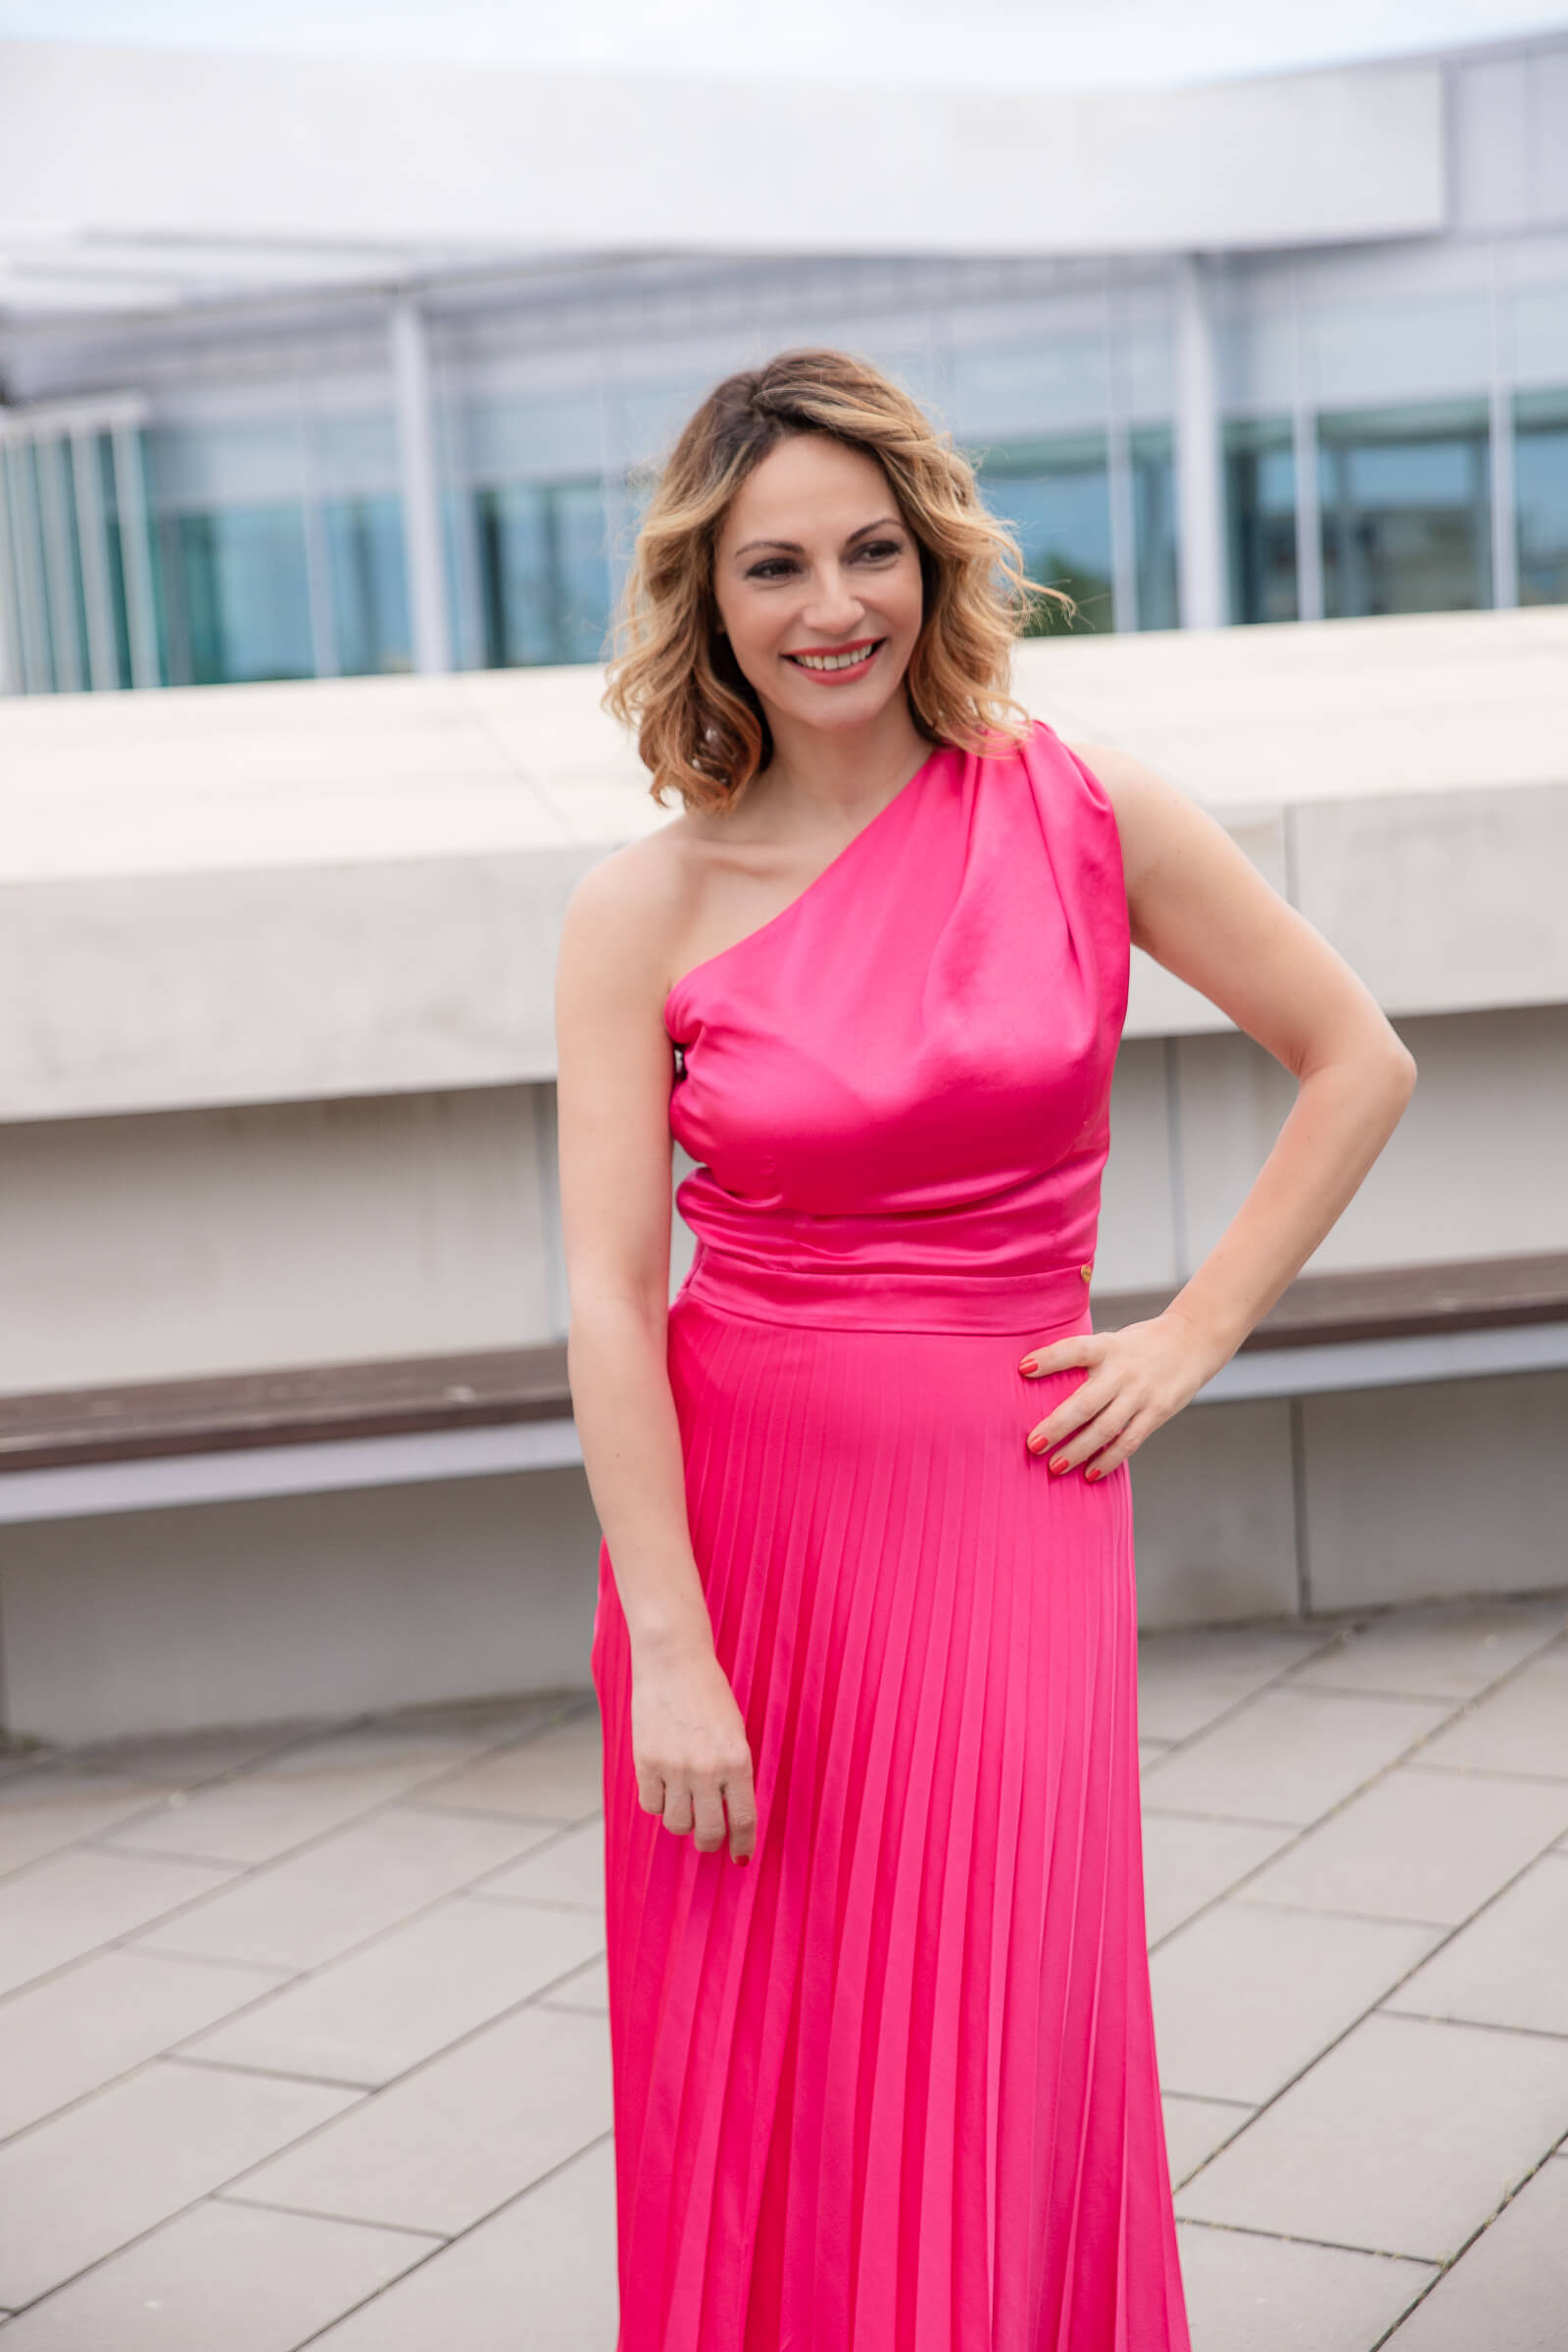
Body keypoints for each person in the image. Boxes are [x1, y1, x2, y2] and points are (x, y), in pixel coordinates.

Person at [554, 348, 1416, 2351]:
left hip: (1009, 1512)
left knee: (1004, 2037)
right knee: (759, 2068)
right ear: (707, 599)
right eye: (774, 567)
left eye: (870, 550)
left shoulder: (1080, 810)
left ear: (935, 562)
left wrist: (1190, 1334)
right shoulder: (642, 906)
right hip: (737, 1544)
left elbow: (1354, 1057)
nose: (831, 606)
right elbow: (606, 1293)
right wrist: (670, 1646)